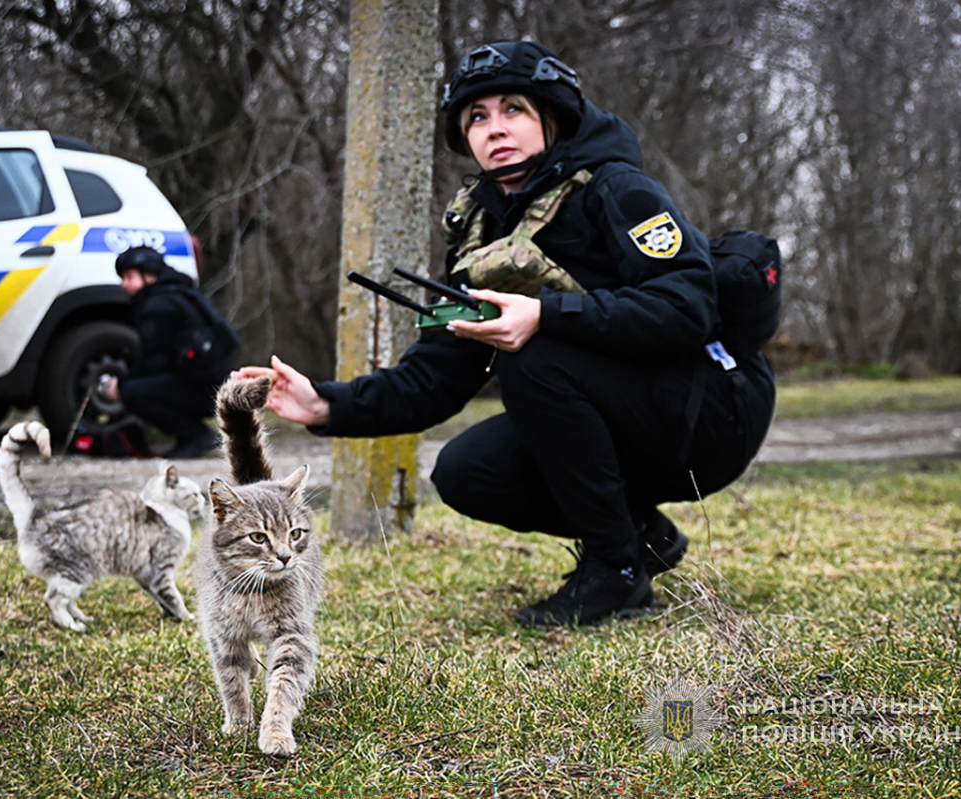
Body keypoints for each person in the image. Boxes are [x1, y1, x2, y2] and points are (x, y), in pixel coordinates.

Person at [233, 40, 775, 626]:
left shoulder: (616, 189)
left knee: (535, 357)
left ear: (552, 115)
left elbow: (686, 308)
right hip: (633, 413)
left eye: (513, 109)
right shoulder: (481, 229)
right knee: (468, 471)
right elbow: (437, 376)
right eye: (477, 117)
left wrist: (546, 315)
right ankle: (641, 539)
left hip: (713, 411)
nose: (495, 129)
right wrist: (324, 405)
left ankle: (616, 574)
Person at [105, 246, 238, 458]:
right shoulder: (180, 293)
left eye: (129, 277)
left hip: (206, 391)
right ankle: (190, 436)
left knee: (132, 391)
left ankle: (197, 436)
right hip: (217, 386)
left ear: (149, 275)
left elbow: (154, 362)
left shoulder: (159, 306)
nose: (124, 284)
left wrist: (120, 385)